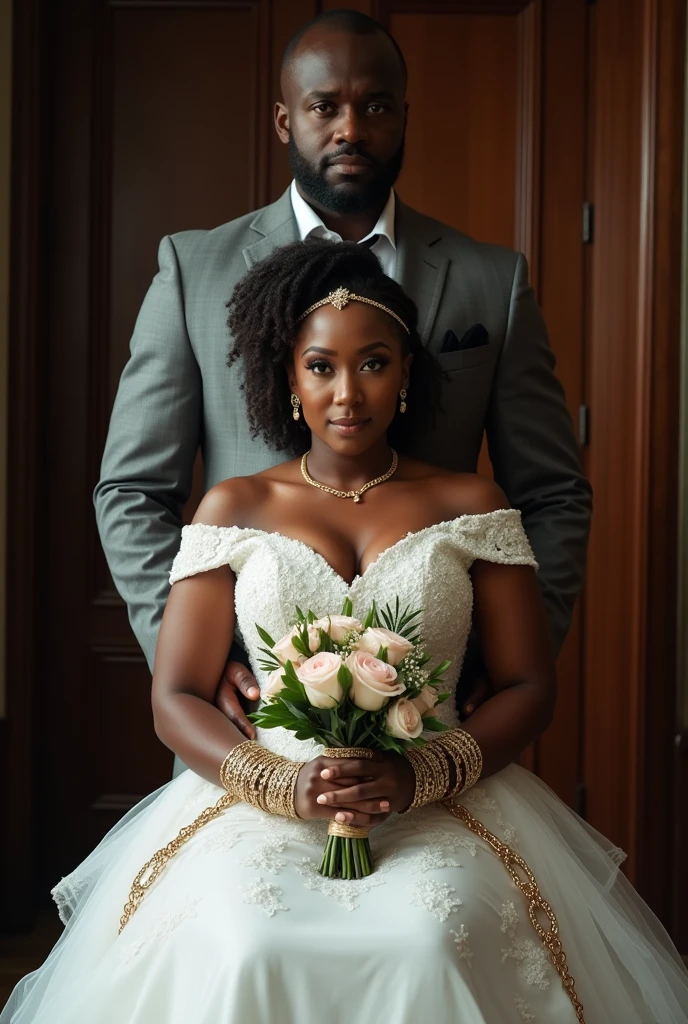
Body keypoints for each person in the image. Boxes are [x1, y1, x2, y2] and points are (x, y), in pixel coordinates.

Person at [5, 240, 687, 1023]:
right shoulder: (232, 507)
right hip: (263, 799)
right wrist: (280, 783)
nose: (347, 392)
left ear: (406, 378)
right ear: (289, 380)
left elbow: (531, 686)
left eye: (373, 363)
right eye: (321, 366)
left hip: (438, 797)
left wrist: (419, 776)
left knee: (433, 935)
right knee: (247, 939)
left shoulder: (472, 502)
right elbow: (176, 696)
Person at [94, 9, 591, 744]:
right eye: (324, 106)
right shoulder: (191, 271)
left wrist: (497, 657)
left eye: (376, 106)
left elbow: (553, 494)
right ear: (284, 119)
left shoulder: (493, 281)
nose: (350, 129)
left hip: (438, 727)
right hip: (253, 724)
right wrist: (196, 654)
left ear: (404, 118)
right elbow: (132, 491)